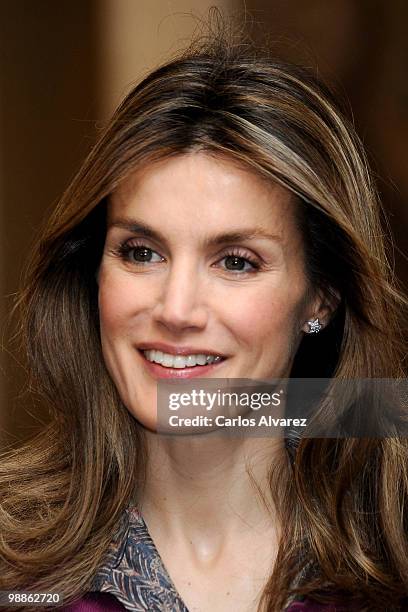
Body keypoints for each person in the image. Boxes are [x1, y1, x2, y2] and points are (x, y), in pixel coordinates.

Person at [0, 26, 407, 612]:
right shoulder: (17, 572)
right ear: (92, 272)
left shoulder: (390, 566)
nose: (175, 310)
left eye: (236, 262)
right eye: (142, 252)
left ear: (322, 296)